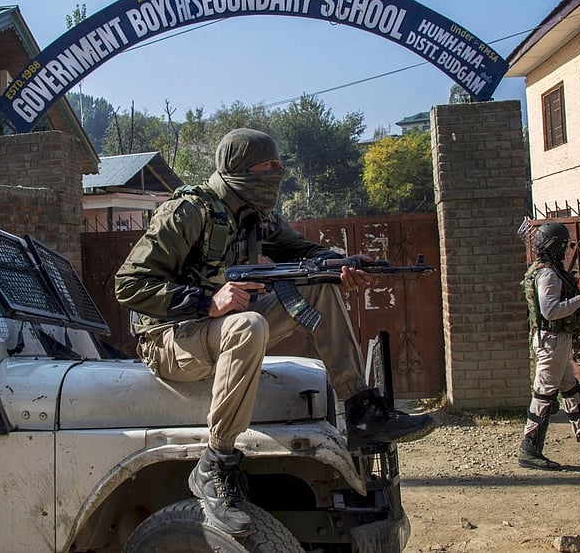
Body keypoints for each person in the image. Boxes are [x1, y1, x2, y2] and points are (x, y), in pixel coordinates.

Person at [114, 128, 435, 535]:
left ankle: (361, 411)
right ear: (237, 169)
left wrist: (343, 264)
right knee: (248, 323)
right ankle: (215, 463)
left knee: (318, 282)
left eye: (278, 168)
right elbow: (128, 284)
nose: (276, 177)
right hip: (170, 339)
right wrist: (206, 302)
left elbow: (303, 253)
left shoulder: (255, 217)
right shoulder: (189, 211)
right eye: (268, 168)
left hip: (218, 330)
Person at [518, 222, 580, 470]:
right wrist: (579, 300)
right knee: (543, 395)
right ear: (556, 245)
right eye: (563, 244)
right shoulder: (548, 274)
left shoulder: (546, 270)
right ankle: (529, 450)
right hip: (552, 341)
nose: (566, 249)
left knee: (571, 392)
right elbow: (551, 311)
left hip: (554, 341)